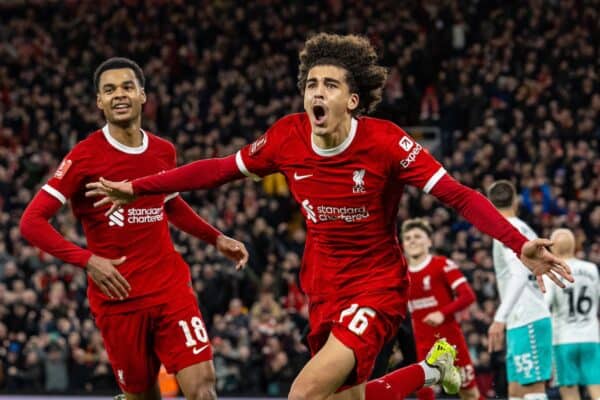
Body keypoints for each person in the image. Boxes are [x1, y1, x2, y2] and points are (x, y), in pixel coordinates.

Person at [86, 34, 572, 400]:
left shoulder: (386, 143)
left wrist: (517, 242)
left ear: (351, 99)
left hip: (376, 283)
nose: (317, 92)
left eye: (330, 85)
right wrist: (138, 187)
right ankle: (430, 369)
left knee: (303, 394)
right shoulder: (286, 136)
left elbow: (459, 196)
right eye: (311, 84)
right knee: (341, 399)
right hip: (322, 283)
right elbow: (216, 171)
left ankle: (429, 368)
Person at [19, 57, 249, 400]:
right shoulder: (84, 157)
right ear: (99, 101)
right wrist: (87, 261)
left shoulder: (162, 150)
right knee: (142, 396)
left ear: (143, 95)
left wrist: (215, 238)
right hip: (118, 299)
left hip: (170, 287)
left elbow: (169, 202)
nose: (119, 95)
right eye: (109, 90)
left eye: (127, 87)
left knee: (203, 387)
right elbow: (31, 222)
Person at [401, 218, 482, 400]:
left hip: (450, 343)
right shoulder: (401, 275)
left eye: (417, 236)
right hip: (422, 345)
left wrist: (442, 313)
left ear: (429, 241)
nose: (412, 240)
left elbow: (467, 295)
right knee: (424, 393)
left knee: (469, 394)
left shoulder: (441, 265)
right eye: (407, 238)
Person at [486, 180, 553, 400]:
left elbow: (520, 272)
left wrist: (499, 318)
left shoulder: (509, 230)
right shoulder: (527, 230)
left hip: (528, 318)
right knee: (515, 390)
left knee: (532, 390)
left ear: (488, 204)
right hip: (523, 319)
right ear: (515, 201)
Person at [545, 228, 600, 400]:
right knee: (597, 390)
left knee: (569, 393)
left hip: (564, 339)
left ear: (552, 249)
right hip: (591, 337)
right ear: (574, 245)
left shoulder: (552, 272)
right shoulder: (591, 268)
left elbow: (546, 305)